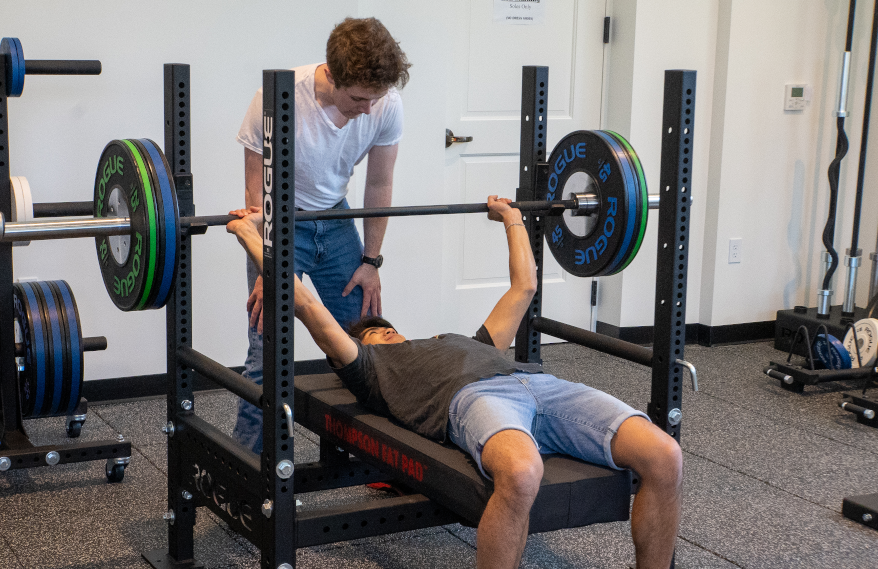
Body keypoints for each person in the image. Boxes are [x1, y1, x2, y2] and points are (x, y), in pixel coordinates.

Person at [225, 197, 683, 569]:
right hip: (474, 400)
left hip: (539, 384)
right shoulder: (367, 369)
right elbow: (306, 305)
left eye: (385, 326)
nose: (381, 330)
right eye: (370, 332)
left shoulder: (470, 341)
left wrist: (511, 219)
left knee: (665, 455)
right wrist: (253, 237)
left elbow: (524, 287)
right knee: (523, 474)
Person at [233, 17, 411, 453]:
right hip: (280, 223)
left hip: (336, 223)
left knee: (365, 341)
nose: (368, 109)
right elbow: (257, 198)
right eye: (358, 98)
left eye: (376, 99)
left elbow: (378, 185)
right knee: (267, 351)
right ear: (331, 75)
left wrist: (370, 262)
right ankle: (252, 468)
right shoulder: (276, 98)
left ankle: (374, 457)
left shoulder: (385, 104)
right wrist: (267, 266)